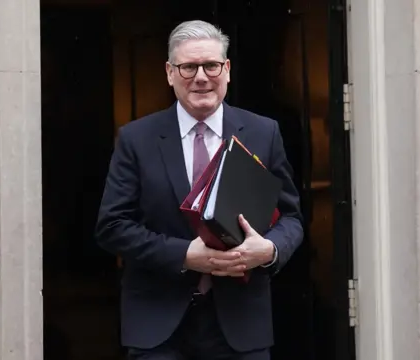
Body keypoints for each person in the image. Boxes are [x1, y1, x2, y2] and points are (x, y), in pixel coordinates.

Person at [95, 19, 303, 360]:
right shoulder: (136, 139)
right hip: (158, 328)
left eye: (211, 65)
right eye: (188, 67)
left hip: (241, 327)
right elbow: (112, 227)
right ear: (170, 72)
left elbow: (291, 217)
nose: (201, 77)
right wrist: (185, 256)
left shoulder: (264, 133)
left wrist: (269, 249)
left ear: (228, 69)